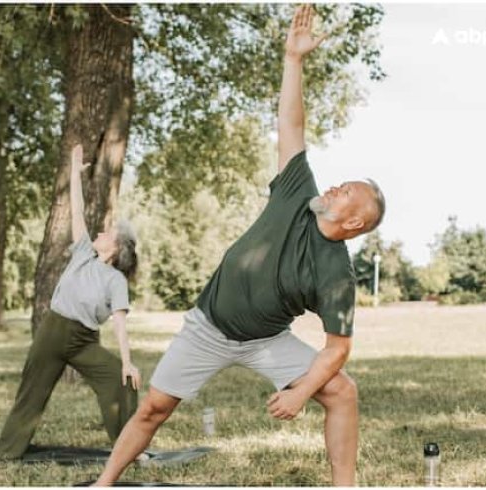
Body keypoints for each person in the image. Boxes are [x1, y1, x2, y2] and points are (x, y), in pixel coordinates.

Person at [93, 5, 385, 486]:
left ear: (354, 222)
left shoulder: (336, 273)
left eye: (346, 191)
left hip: (265, 341)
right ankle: (104, 483)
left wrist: (300, 392)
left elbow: (337, 349)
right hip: (208, 325)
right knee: (153, 408)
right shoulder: (298, 191)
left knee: (341, 392)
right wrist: (293, 60)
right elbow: (291, 126)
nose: (334, 187)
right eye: (340, 183)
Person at [0, 143, 141, 460]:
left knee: (120, 380)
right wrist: (74, 172)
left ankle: (130, 449)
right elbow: (77, 210)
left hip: (83, 340)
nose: (99, 232)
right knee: (32, 390)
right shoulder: (83, 252)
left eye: (106, 234)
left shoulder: (115, 280)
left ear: (115, 248)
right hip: (53, 332)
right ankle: (5, 450)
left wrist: (127, 362)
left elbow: (120, 324)